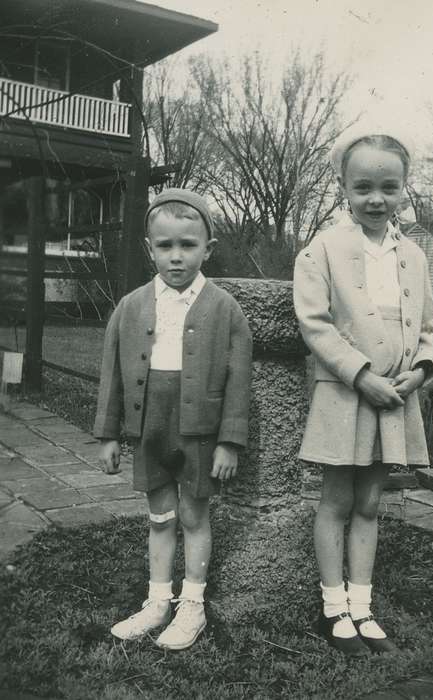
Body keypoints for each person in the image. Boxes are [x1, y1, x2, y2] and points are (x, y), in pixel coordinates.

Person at [293, 126, 433, 656]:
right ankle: (333, 610)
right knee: (337, 500)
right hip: (346, 395)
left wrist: (420, 371)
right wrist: (362, 376)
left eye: (388, 187)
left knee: (371, 503)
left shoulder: (416, 256)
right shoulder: (323, 249)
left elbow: (428, 329)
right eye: (362, 187)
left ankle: (363, 606)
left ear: (404, 188)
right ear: (343, 187)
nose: (376, 198)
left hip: (397, 400)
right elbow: (316, 325)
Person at [94, 188, 252, 650]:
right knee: (160, 517)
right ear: (149, 248)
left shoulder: (225, 309)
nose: (177, 257)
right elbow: (112, 374)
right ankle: (158, 601)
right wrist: (108, 434)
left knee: (193, 515)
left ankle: (193, 605)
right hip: (151, 430)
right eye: (165, 246)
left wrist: (230, 442)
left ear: (209, 248)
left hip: (199, 434)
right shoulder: (131, 306)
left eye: (188, 245)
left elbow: (239, 381)